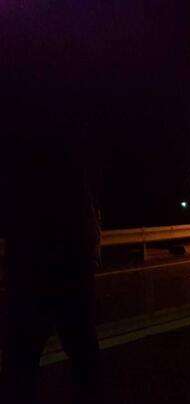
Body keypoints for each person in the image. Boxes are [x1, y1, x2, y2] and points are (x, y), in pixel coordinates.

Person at [1, 116, 102, 403]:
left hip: (34, 273)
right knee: (82, 353)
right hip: (65, 272)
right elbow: (88, 227)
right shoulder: (71, 175)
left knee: (22, 358)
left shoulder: (23, 174)